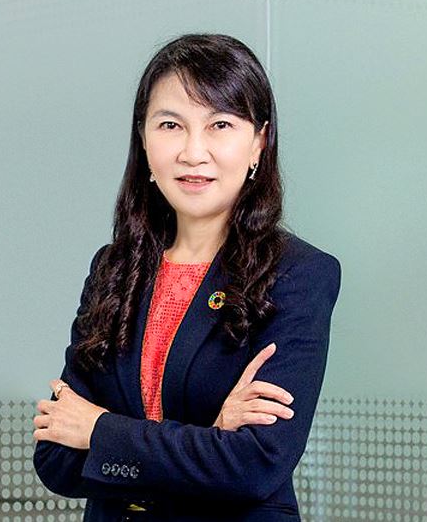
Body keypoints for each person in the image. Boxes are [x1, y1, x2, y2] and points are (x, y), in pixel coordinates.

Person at [32, 33, 341, 521]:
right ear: (143, 139)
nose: (194, 152)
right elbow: (55, 459)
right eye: (171, 125)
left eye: (220, 124)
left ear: (259, 142)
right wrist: (209, 438)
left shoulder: (297, 274)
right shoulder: (114, 269)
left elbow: (255, 465)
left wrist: (100, 431)